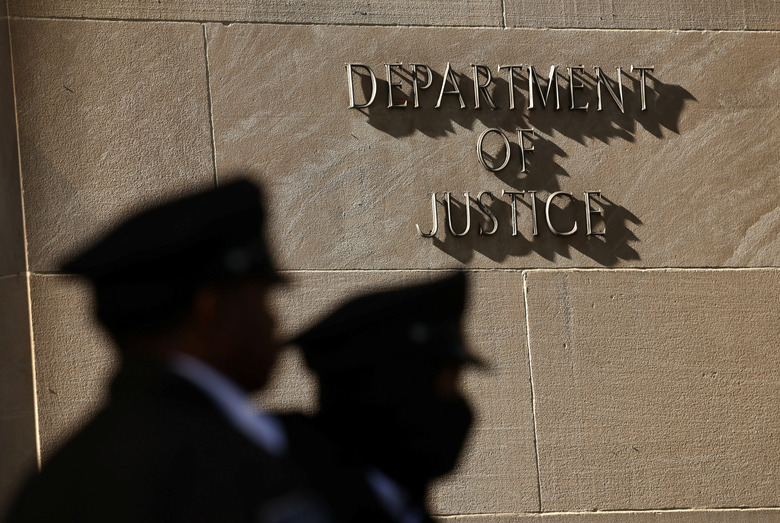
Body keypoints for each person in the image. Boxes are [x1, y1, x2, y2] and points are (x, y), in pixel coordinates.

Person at [6, 179, 333, 522]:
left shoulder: (62, 475)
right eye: (263, 300)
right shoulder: (223, 466)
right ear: (210, 310)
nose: (274, 321)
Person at [285, 272, 477, 522]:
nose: (461, 407)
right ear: (399, 390)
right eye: (448, 386)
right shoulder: (306, 507)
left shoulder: (399, 505)